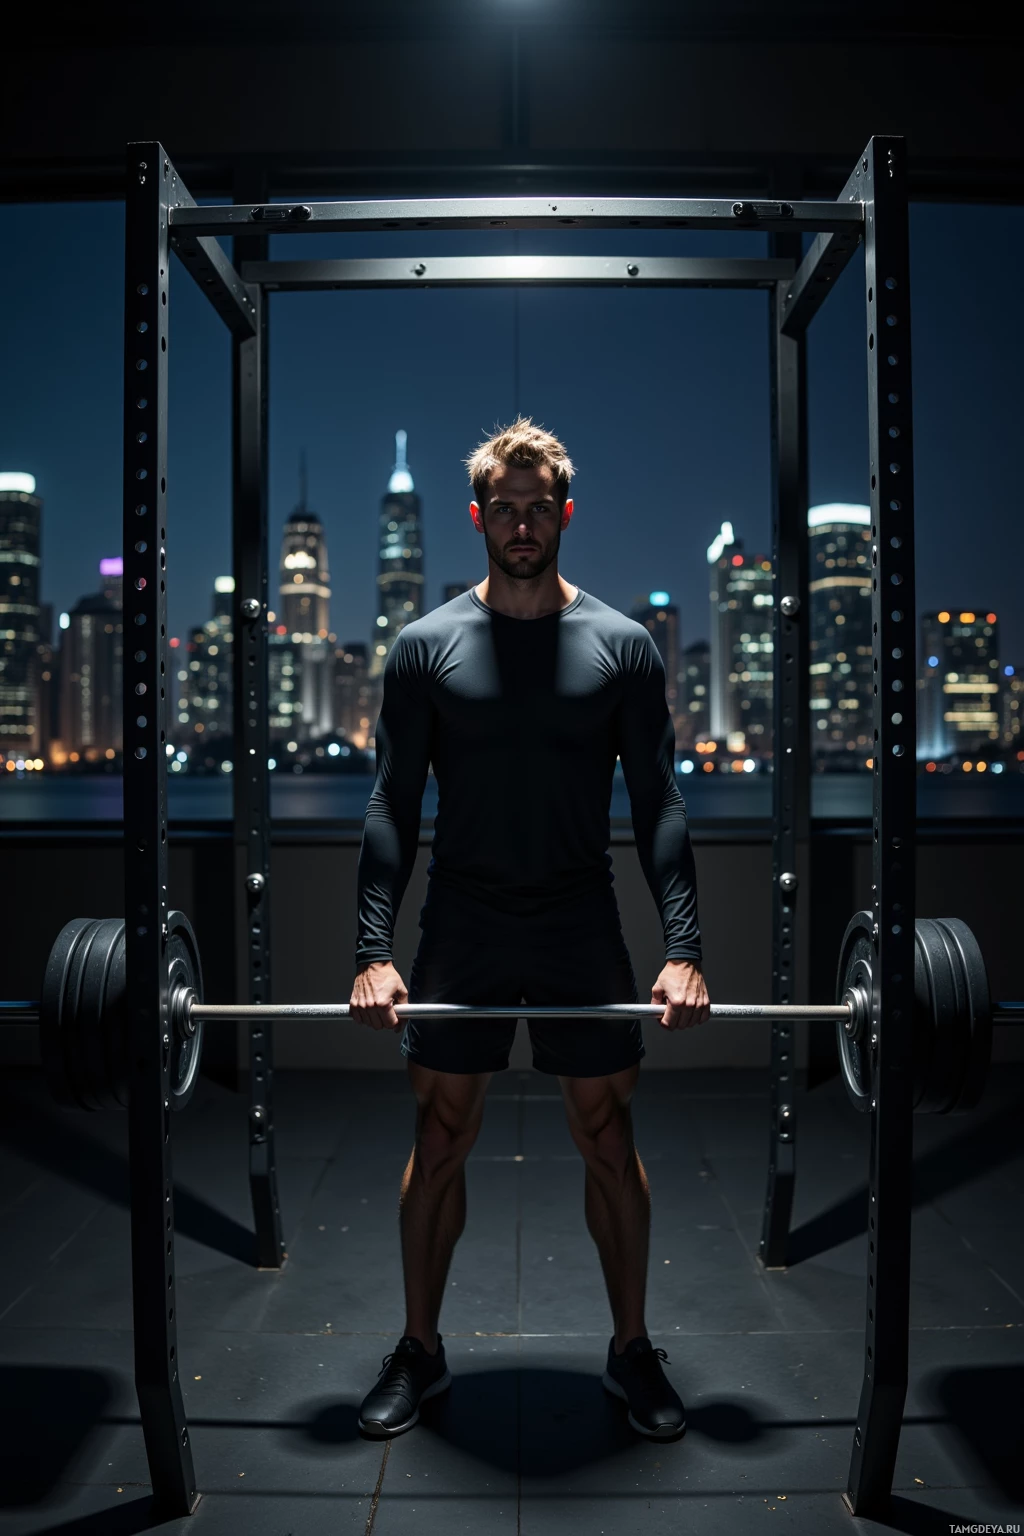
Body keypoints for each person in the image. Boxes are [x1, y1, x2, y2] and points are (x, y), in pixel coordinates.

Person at [349, 417, 710, 1441]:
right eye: (501, 509)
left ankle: (630, 1352)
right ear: (475, 517)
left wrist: (682, 947)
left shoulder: (621, 648)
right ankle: (420, 1351)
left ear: (563, 512)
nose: (519, 524)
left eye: (535, 507)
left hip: (575, 915)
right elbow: (390, 806)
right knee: (440, 1133)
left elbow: (659, 804)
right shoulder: (424, 649)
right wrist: (373, 951)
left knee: (606, 1134)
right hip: (461, 918)